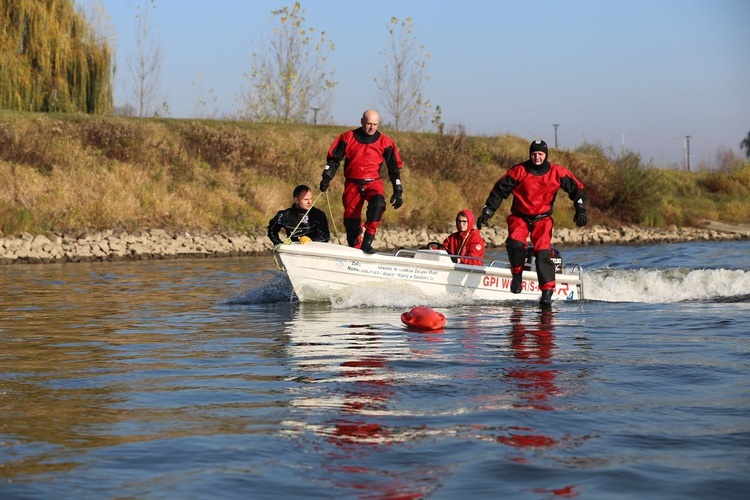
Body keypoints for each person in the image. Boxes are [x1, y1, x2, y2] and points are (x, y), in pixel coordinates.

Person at [476, 139, 587, 307]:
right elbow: (499, 191)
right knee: (514, 243)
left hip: (542, 219)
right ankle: (517, 276)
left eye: (540, 154)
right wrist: (487, 212)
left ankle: (547, 292)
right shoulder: (518, 171)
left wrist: (580, 209)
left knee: (542, 253)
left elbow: (577, 189)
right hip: (520, 217)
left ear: (546, 155)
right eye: (534, 154)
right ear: (530, 154)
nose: (537, 157)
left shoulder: (557, 172)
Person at [319, 109, 403, 254]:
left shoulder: (385, 141)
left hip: (373, 183)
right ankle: (355, 249)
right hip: (352, 184)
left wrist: (398, 190)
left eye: (375, 124)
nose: (372, 127)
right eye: (369, 123)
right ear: (362, 121)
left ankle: (368, 241)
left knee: (378, 205)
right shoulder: (347, 137)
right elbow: (333, 159)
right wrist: (326, 177)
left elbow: (394, 167)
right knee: (351, 221)